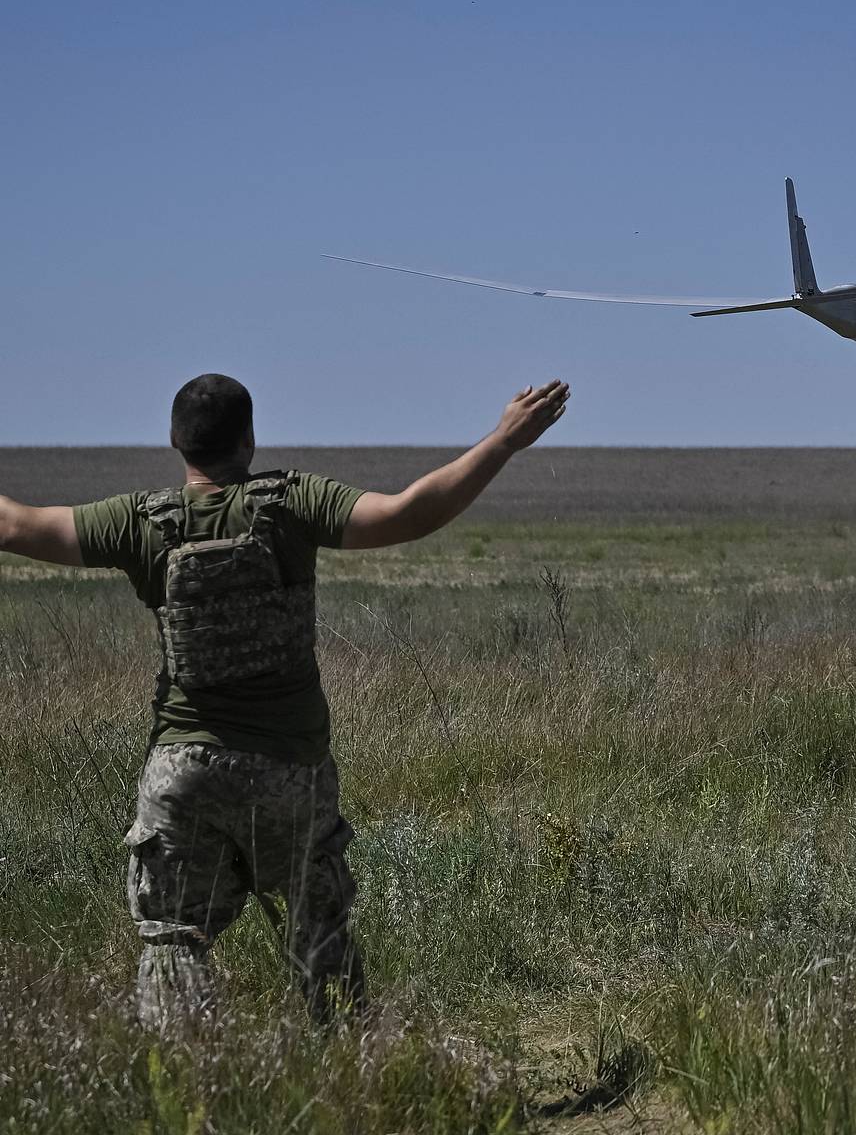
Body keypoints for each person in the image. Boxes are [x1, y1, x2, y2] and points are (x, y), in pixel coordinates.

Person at [0, 372, 570, 1031]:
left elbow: (13, 524)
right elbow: (408, 513)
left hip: (182, 773)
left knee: (173, 943)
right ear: (249, 439)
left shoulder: (139, 522)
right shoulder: (292, 503)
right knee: (319, 933)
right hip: (290, 774)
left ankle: (188, 1095)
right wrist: (502, 442)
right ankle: (350, 1080)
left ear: (174, 441)